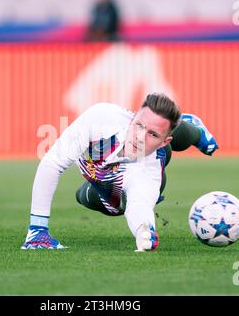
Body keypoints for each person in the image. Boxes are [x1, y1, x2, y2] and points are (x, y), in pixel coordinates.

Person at [21, 93, 218, 251]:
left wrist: (143, 231)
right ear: (134, 116)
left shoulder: (147, 170)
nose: (140, 137)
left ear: (161, 140)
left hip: (140, 171)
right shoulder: (100, 118)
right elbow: (52, 163)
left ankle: (194, 130)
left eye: (153, 134)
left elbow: (138, 203)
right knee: (82, 197)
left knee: (120, 207)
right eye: (139, 125)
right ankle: (178, 125)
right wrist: (38, 230)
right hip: (100, 172)